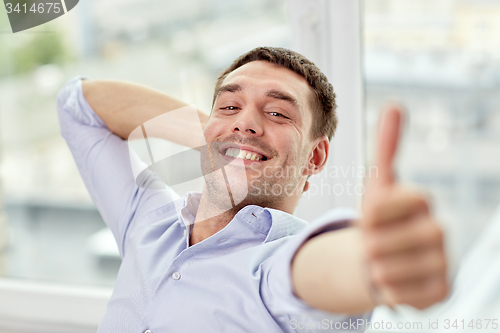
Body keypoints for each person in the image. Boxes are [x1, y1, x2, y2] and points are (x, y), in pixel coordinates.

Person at [57, 47, 448, 332]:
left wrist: (370, 263)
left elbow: (324, 271)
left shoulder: (277, 267)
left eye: (277, 113)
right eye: (229, 105)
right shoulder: (151, 223)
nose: (246, 120)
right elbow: (77, 106)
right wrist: (225, 139)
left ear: (315, 157)